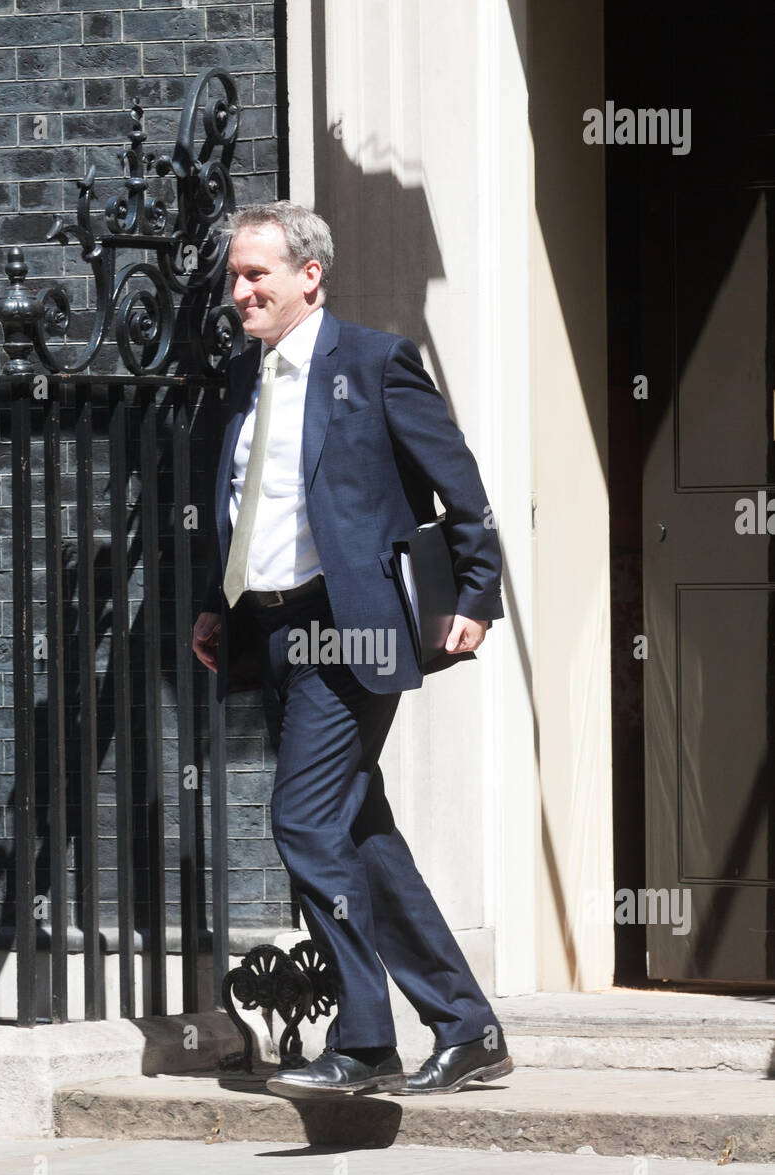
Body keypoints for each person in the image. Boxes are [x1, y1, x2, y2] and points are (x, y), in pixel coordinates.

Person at [192, 201, 512, 1098]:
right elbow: (243, 507)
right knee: (359, 832)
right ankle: (467, 1025)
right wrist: (215, 604)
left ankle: (365, 1040)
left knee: (301, 820)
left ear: (309, 276)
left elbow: (462, 489)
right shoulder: (243, 381)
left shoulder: (373, 363)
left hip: (356, 626)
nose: (240, 290)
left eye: (257, 273)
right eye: (233, 275)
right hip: (272, 628)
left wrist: (478, 596)